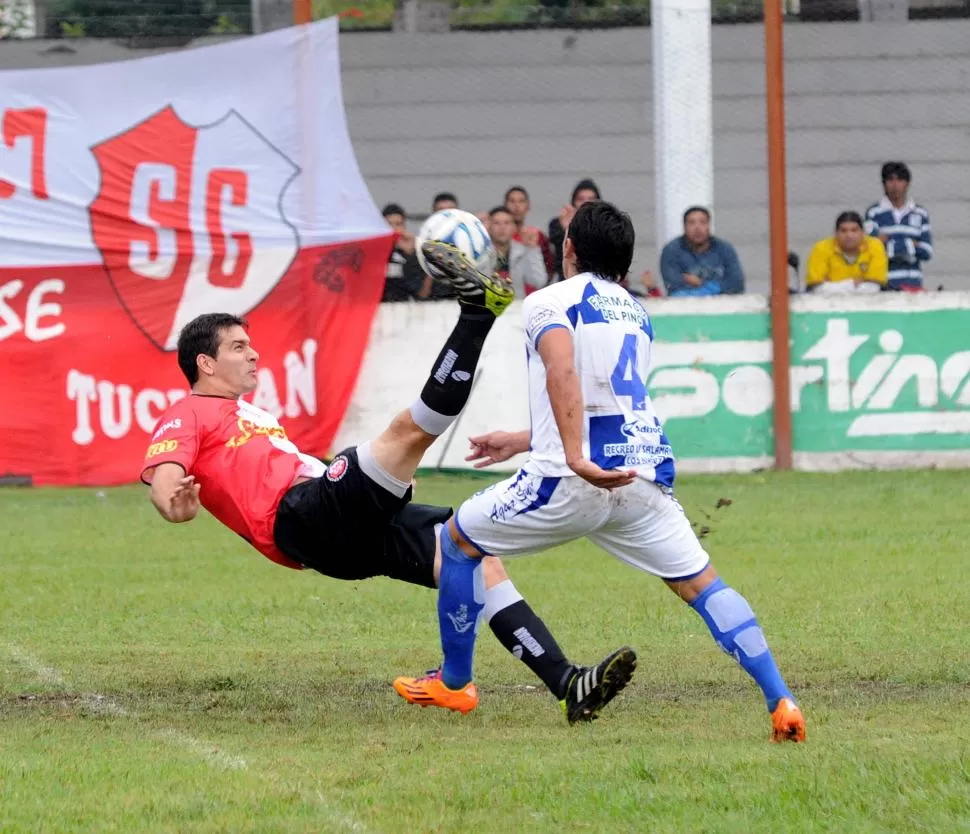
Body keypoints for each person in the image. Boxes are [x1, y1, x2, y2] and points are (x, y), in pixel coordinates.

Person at [141, 241, 635, 723]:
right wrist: (173, 504)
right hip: (300, 519)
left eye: (249, 344)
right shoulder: (190, 411)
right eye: (238, 346)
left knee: (472, 554)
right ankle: (478, 313)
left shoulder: (249, 414)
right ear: (205, 363)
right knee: (408, 433)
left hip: (334, 535)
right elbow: (165, 478)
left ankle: (564, 683)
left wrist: (382, 488)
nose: (253, 354)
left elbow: (297, 468)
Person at [394, 201, 805, 743]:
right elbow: (603, 400)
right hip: (640, 480)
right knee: (702, 585)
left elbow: (562, 369)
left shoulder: (548, 301)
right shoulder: (636, 312)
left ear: (568, 250)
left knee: (457, 541)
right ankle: (782, 701)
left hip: (573, 478)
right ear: (626, 263)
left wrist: (570, 457)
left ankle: (455, 682)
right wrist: (523, 439)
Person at [864, 162, 932, 292]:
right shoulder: (873, 212)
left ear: (907, 183)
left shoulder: (920, 213)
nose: (895, 185)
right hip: (884, 284)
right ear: (884, 183)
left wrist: (888, 244)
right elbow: (871, 250)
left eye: (900, 180)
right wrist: (911, 244)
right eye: (890, 180)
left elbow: (927, 251)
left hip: (913, 283)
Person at [659, 206, 745, 296]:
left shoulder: (725, 249)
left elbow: (737, 284)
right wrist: (716, 289)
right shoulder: (672, 251)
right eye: (692, 223)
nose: (697, 228)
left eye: (703, 222)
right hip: (685, 306)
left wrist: (702, 284)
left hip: (723, 306)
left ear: (709, 226)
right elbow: (675, 289)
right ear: (684, 227)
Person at [805, 211, 887, 294]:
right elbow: (817, 289)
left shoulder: (875, 246)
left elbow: (873, 288)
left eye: (854, 230)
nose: (849, 235)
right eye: (843, 231)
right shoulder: (821, 248)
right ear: (836, 233)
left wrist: (831, 286)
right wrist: (851, 284)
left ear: (863, 233)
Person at [487, 206, 549, 298]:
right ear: (489, 227)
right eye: (497, 223)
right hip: (487, 308)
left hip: (516, 308)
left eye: (507, 223)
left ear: (514, 228)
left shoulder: (523, 251)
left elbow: (539, 282)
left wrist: (533, 249)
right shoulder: (482, 252)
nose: (502, 227)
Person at [548, 178, 600, 280]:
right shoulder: (557, 224)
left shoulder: (607, 226)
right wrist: (566, 230)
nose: (586, 204)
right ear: (573, 202)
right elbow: (559, 261)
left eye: (591, 199)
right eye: (581, 199)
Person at [504, 185, 555, 284]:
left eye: (521, 201)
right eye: (512, 201)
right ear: (505, 205)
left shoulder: (537, 236)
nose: (516, 206)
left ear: (528, 206)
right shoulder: (499, 238)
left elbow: (549, 269)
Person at [381, 203, 429, 302]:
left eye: (398, 224)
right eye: (388, 224)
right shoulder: (373, 253)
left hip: (405, 309)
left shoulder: (412, 252)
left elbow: (422, 293)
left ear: (404, 227)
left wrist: (413, 254)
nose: (393, 229)